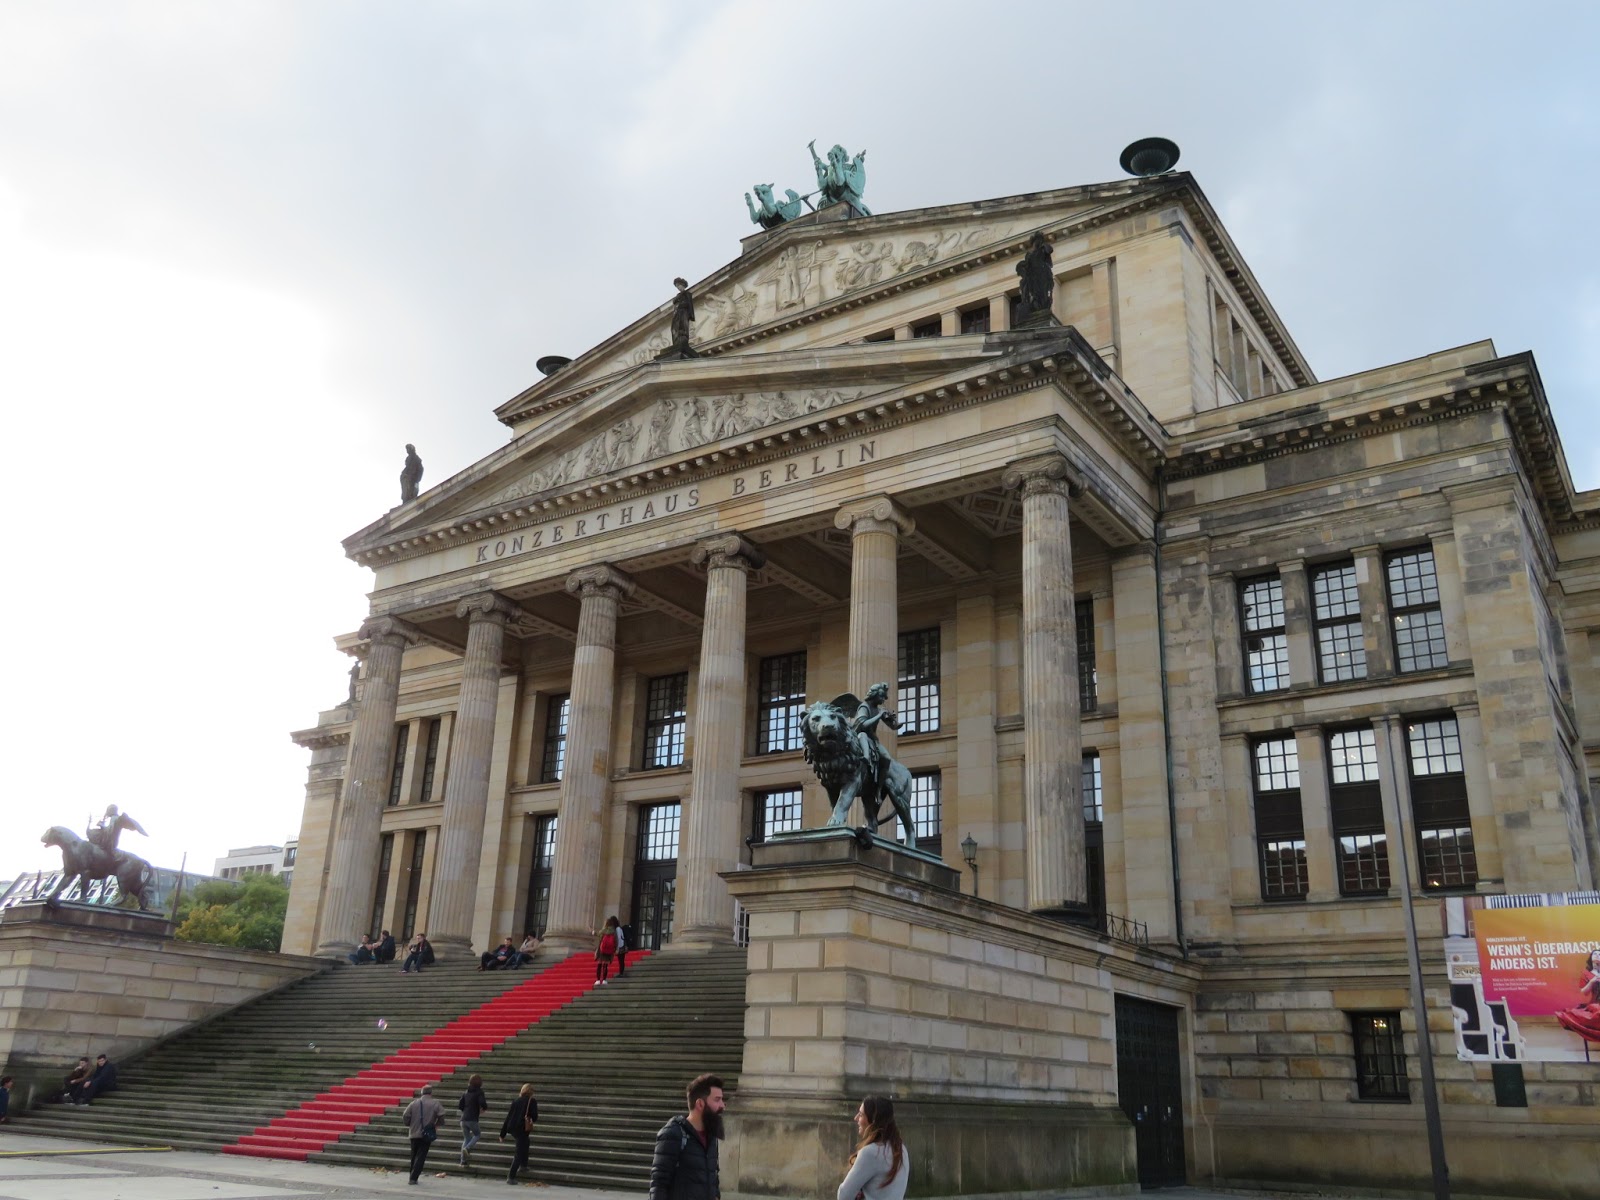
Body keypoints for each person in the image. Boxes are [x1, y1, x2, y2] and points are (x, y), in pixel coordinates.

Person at [649, 1073, 724, 1200]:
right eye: (717, 1100)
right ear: (700, 1104)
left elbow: (713, 1178)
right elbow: (659, 1185)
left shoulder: (711, 1137)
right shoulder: (673, 1134)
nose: (722, 1105)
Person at [836, 1095, 909, 1200]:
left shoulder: (870, 1153)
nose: (856, 1118)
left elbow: (844, 1195)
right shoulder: (902, 1150)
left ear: (873, 1120)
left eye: (861, 1115)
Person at [851, 683, 900, 798]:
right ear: (874, 695)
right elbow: (863, 725)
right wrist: (879, 715)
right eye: (881, 696)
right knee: (862, 735)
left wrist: (893, 721)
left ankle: (878, 788)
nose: (883, 699)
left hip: (873, 740)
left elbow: (893, 727)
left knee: (887, 758)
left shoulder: (878, 710)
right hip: (860, 737)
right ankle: (866, 756)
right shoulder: (864, 707)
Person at [402, 1083, 444, 1184]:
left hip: (414, 1132)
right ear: (431, 1093)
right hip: (426, 1134)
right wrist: (436, 1125)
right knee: (421, 1156)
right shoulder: (435, 1103)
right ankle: (413, 1177)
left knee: (414, 1155)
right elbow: (442, 1116)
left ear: (421, 1093)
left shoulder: (414, 1103)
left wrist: (409, 1124)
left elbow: (405, 1115)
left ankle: (412, 1175)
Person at [1556, 949, 1600, 1041]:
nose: (1597, 955)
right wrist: (1591, 982)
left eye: (1599, 954)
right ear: (1591, 958)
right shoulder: (1586, 973)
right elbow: (1584, 992)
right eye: (1594, 954)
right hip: (1595, 1003)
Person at [499, 1082, 538, 1183]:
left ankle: (523, 1165)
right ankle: (511, 1177)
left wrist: (502, 1134)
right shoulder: (532, 1101)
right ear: (531, 1092)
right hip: (521, 1128)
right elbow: (535, 1117)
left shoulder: (516, 1101)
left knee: (526, 1142)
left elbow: (508, 1117)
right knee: (519, 1152)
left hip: (512, 1128)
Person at [457, 1073, 490, 1168]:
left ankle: (463, 1161)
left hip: (463, 1119)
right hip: (472, 1119)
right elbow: (482, 1102)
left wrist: (465, 1110)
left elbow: (460, 1105)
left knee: (466, 1138)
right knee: (477, 1134)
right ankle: (467, 1148)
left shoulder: (466, 1092)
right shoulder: (479, 1092)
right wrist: (483, 1108)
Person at [596, 917, 620, 985]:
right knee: (605, 965)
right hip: (609, 951)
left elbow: (599, 937)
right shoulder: (613, 931)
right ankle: (604, 980)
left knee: (599, 965)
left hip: (601, 950)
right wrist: (615, 949)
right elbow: (616, 941)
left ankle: (598, 980)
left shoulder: (603, 931)